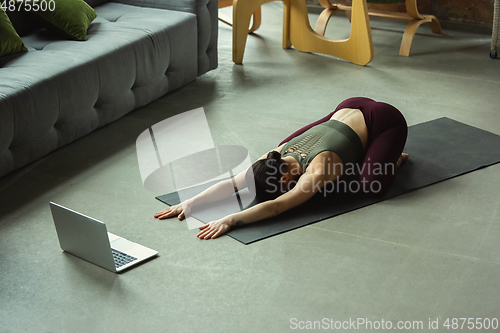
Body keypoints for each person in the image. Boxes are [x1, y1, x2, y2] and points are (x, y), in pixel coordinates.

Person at [154, 97, 409, 240]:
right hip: (347, 106)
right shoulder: (272, 157)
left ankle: (391, 157)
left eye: (282, 187)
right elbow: (232, 183)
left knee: (371, 185)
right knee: (295, 142)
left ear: (286, 177)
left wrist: (230, 220)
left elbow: (278, 207)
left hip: (385, 118)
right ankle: (365, 150)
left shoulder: (316, 171)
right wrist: (191, 203)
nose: (285, 191)